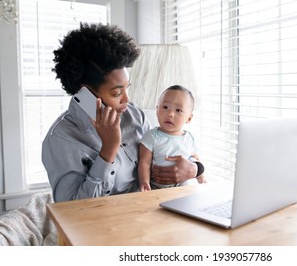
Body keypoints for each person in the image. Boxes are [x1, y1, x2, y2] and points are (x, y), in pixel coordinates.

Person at [42, 23, 203, 202]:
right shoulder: (61, 138)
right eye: (117, 93)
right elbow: (70, 211)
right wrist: (109, 149)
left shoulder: (134, 115)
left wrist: (196, 169)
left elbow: (162, 154)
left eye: (128, 88)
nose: (127, 100)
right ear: (85, 93)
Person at [138, 85, 206, 191]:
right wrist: (144, 182)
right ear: (157, 110)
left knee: (189, 187)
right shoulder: (151, 136)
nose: (170, 114)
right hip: (157, 186)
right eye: (165, 107)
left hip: (182, 186)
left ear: (189, 118)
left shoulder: (189, 138)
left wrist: (201, 178)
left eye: (178, 110)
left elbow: (196, 159)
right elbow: (144, 163)